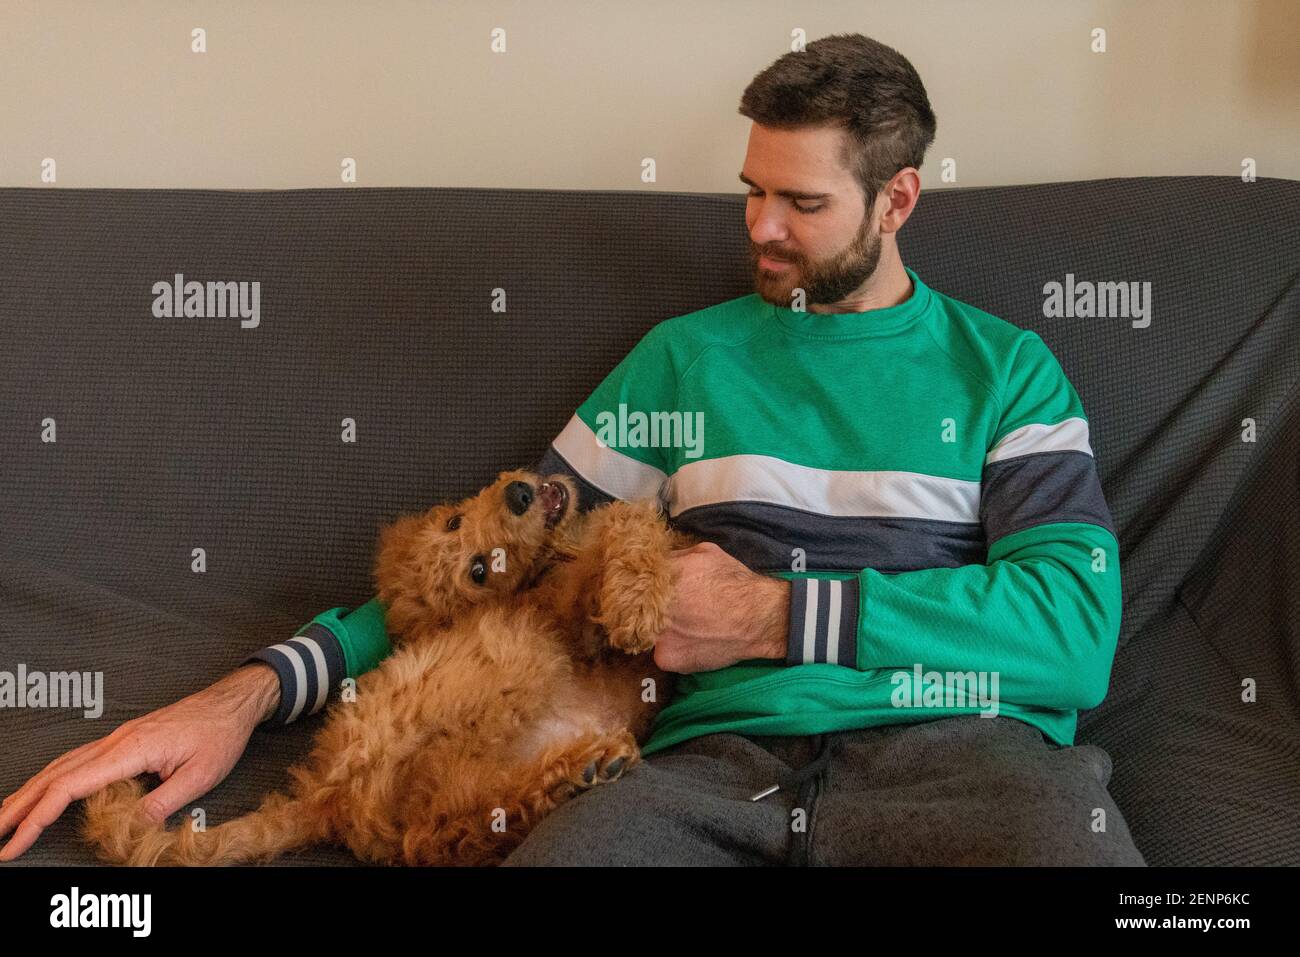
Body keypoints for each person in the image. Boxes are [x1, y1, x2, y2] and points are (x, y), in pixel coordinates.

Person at [0, 32, 1145, 865]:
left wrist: (775, 614)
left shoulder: (1005, 373)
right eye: (751, 191)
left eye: (799, 203)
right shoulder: (685, 361)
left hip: (958, 761)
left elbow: (1070, 633)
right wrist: (246, 696)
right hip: (706, 770)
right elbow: (494, 571)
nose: (758, 227)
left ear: (896, 201)